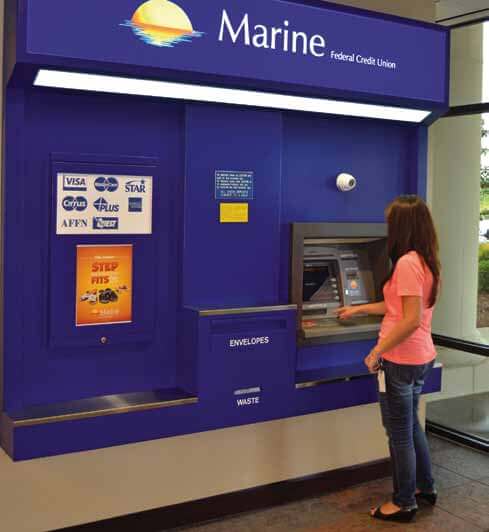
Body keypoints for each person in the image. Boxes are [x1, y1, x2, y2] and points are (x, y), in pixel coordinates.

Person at [337, 195, 440, 523]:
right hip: (419, 356)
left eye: (391, 221)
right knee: (411, 427)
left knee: (398, 432)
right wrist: (359, 308)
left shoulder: (408, 263)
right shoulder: (426, 260)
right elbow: (399, 308)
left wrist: (377, 351)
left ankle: (403, 502)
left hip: (400, 359)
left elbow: (408, 319)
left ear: (403, 226)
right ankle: (425, 487)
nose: (387, 227)